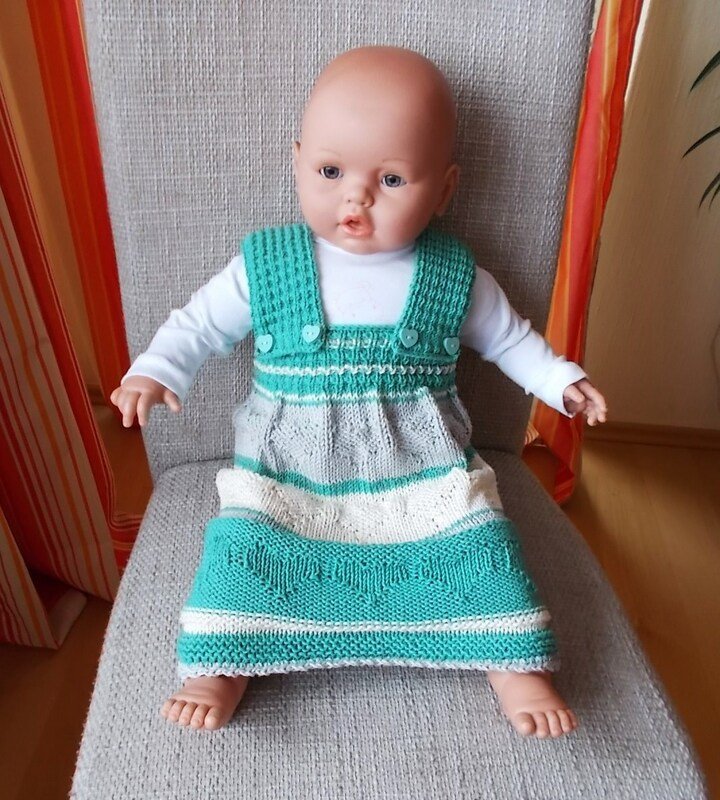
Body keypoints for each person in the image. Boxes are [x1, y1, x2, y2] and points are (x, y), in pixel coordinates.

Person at [111, 45, 608, 738]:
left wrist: (560, 381)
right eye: (331, 171)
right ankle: (224, 661)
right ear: (297, 163)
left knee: (480, 545)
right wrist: (158, 368)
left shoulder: (452, 274)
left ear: (444, 190)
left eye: (392, 179)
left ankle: (509, 661)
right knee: (242, 550)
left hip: (422, 475)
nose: (357, 197)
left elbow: (510, 339)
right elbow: (198, 324)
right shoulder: (269, 265)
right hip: (288, 473)